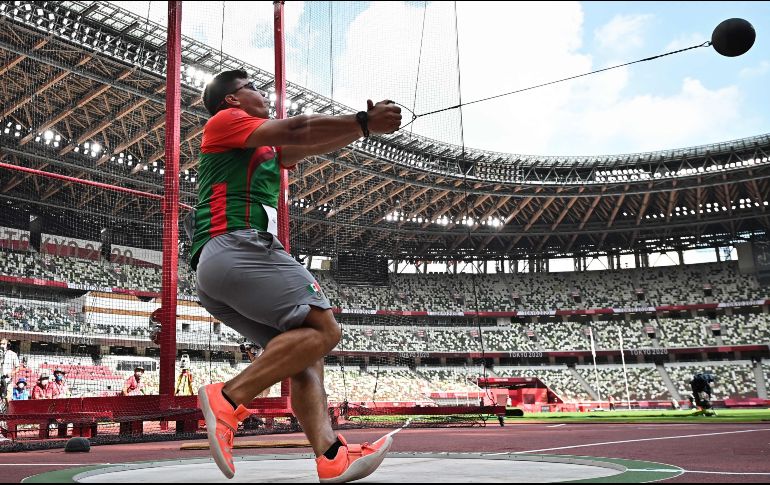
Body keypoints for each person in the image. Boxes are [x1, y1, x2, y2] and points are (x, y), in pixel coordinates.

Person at [194, 70, 401, 481]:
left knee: (304, 354)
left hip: (220, 267)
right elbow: (299, 127)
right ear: (232, 101)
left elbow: (302, 143)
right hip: (240, 245)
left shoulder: (262, 144)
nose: (262, 92)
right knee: (325, 330)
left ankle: (330, 455)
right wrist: (363, 121)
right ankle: (228, 398)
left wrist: (364, 131)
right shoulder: (225, 121)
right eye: (252, 87)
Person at [0, 339, 20, 405]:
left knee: (8, 400)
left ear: (8, 345)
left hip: (7, 381)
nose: (1, 345)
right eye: (0, 344)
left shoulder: (13, 354)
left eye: (3, 344)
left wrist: (11, 373)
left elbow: (18, 368)